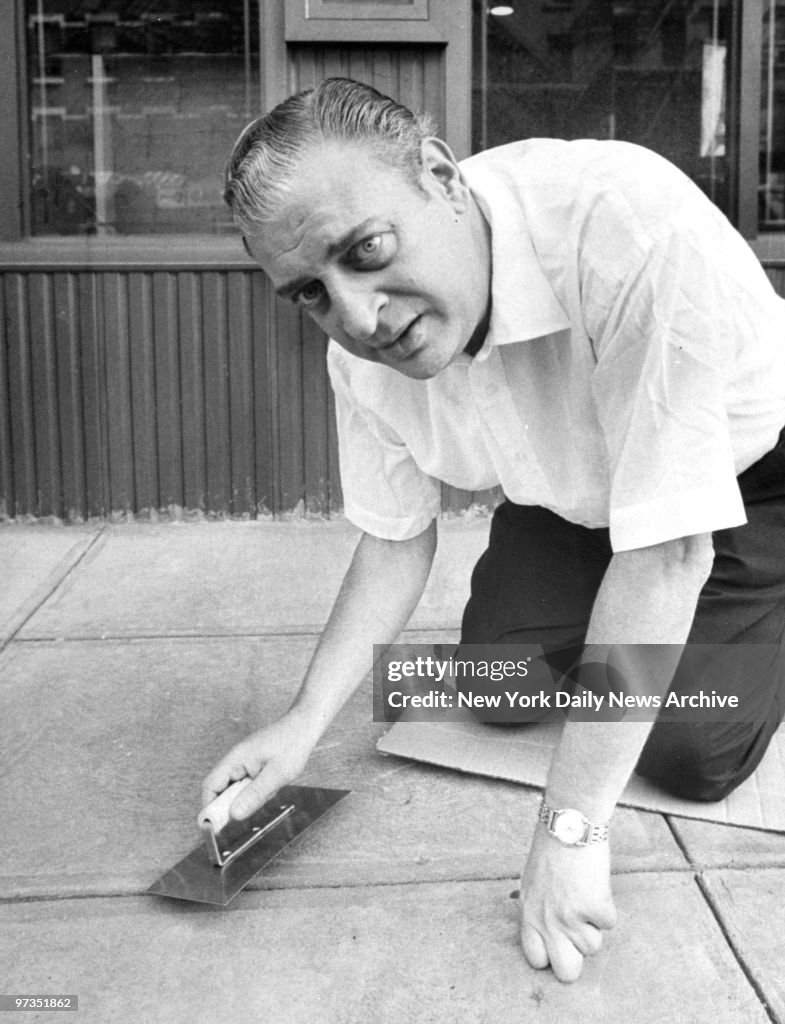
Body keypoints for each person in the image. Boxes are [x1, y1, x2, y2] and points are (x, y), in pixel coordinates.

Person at [202, 77, 785, 983]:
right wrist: (302, 723)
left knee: (689, 746)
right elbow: (394, 539)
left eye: (366, 250)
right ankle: (625, 631)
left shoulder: (629, 226)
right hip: (572, 495)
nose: (359, 318)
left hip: (741, 484)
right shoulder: (357, 352)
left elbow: (668, 548)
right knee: (493, 686)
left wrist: (570, 830)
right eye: (310, 292)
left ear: (440, 176)